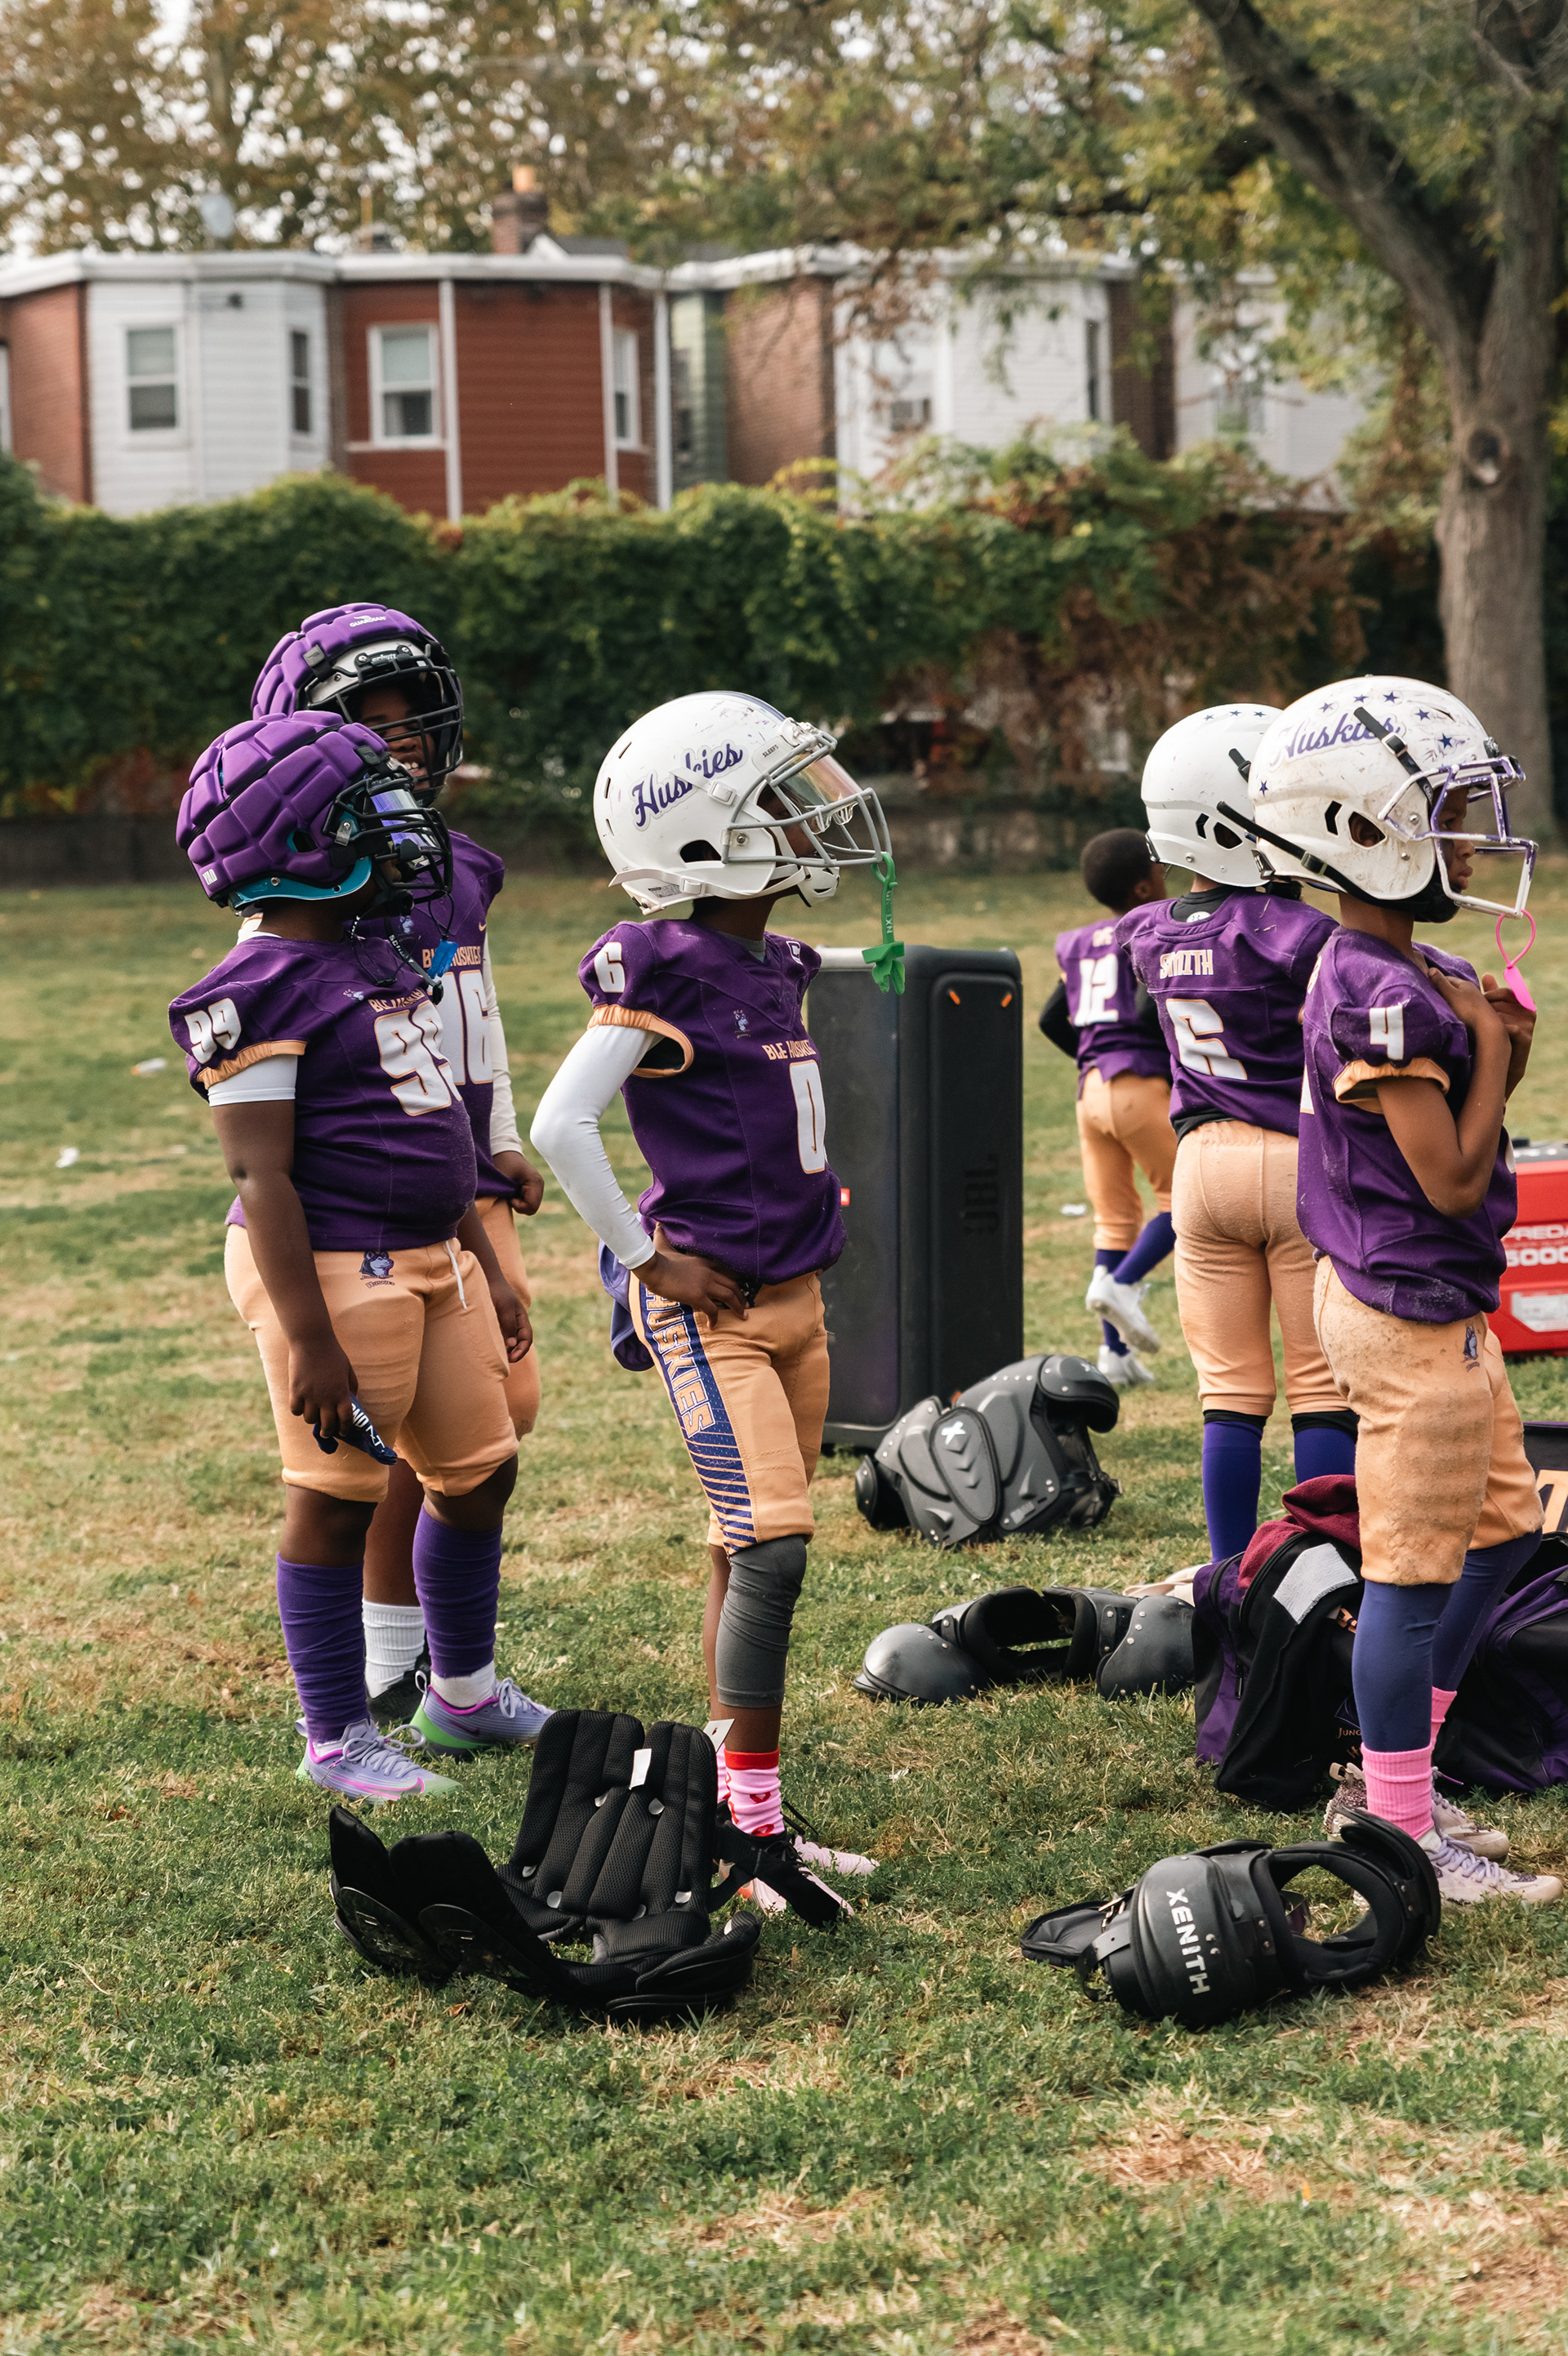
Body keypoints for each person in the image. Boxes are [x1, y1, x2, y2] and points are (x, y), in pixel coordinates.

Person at [529, 688, 885, 1907]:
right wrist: (640, 1254)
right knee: (773, 1551)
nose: (810, 820)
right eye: (778, 802)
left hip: (793, 1296)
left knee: (751, 1551)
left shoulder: (763, 957)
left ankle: (734, 1811)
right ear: (702, 837)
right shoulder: (661, 963)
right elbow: (560, 1122)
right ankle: (752, 1834)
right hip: (714, 1306)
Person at [169, 712, 551, 1804]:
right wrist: (309, 1338)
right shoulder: (252, 991)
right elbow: (263, 1179)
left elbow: (433, 1121)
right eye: (365, 815)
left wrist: (480, 1247)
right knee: (337, 1496)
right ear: (293, 843)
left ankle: (463, 1692)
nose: (398, 832)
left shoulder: (372, 954)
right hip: (334, 1270)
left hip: (434, 1254)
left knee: (481, 1473)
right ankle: (335, 1733)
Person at [1247, 673, 1558, 1905]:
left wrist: (1488, 1058)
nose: (1470, 839)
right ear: (1358, 830)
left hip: (1430, 1302)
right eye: (1442, 811)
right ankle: (1394, 1824)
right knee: (1413, 1576)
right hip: (1407, 1307)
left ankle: (1401, 1775)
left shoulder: (1396, 960)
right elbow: (1450, 1174)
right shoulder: (1373, 989)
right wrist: (1498, 1059)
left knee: (1497, 1533)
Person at [252, 603, 546, 1725]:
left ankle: (440, 1667)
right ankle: (391, 1658)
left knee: (500, 1412)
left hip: (457, 1158)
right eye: (370, 729)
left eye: (411, 724)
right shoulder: (317, 882)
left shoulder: (461, 868)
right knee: (406, 1431)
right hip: (373, 1181)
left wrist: (500, 1135)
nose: (401, 745)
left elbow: (473, 1007)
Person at [1120, 703, 1356, 1564]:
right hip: (1295, 1161)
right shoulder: (1301, 932)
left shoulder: (1143, 932)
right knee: (1321, 1390)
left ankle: (1228, 1574)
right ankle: (1322, 1570)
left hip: (1201, 1166)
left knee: (1229, 1391)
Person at [1040, 828, 1175, 1387]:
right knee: (1186, 1200)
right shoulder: (1149, 927)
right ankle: (1121, 1283)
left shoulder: (1083, 939)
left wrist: (1095, 1053)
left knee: (1115, 1216)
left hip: (1091, 1090)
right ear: (1145, 886)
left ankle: (1113, 1355)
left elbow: (1051, 1018)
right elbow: (1147, 1012)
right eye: (1162, 870)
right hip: (1139, 1083)